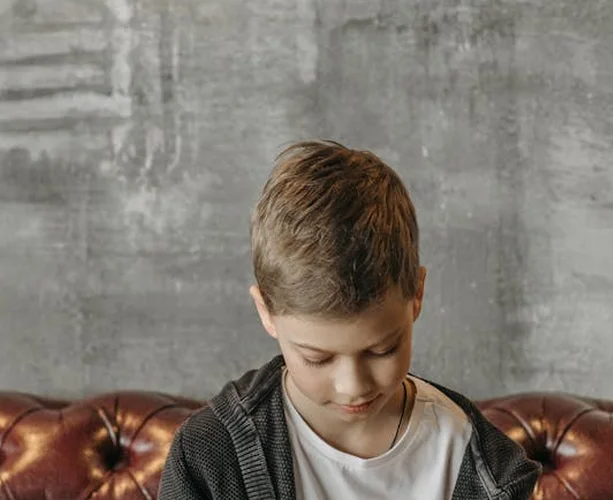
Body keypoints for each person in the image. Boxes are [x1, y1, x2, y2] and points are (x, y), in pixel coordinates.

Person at [157, 140, 542, 499]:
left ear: (417, 295)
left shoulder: (485, 468)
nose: (352, 387)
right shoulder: (210, 454)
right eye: (317, 358)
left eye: (382, 350)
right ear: (266, 312)